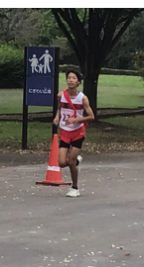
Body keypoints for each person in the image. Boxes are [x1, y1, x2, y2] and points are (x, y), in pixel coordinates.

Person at [53, 69, 94, 198]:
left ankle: (74, 188)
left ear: (78, 82)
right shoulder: (61, 95)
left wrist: (75, 120)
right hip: (64, 131)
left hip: (77, 132)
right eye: (69, 78)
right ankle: (76, 162)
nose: (70, 80)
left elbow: (91, 116)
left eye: (73, 78)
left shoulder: (83, 98)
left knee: (70, 161)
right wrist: (57, 117)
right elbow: (60, 107)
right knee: (61, 163)